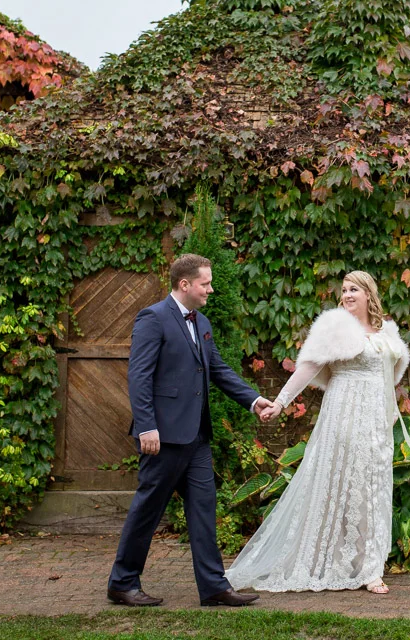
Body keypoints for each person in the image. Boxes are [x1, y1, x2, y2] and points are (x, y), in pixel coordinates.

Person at [107, 253, 277, 608]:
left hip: (197, 436)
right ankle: (122, 583)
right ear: (184, 284)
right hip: (163, 437)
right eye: (205, 283)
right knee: (148, 509)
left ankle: (213, 587)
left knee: (203, 508)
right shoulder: (153, 318)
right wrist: (147, 426)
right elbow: (139, 376)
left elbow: (218, 369)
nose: (210, 289)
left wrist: (253, 399)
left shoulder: (201, 322)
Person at [226, 271, 410, 595]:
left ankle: (370, 566)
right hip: (344, 415)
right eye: (344, 290)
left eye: (354, 289)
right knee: (346, 486)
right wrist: (280, 402)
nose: (347, 294)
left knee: (374, 487)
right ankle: (334, 560)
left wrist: (389, 410)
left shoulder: (386, 332)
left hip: (376, 423)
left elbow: (389, 376)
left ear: (369, 294)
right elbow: (308, 367)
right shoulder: (334, 328)